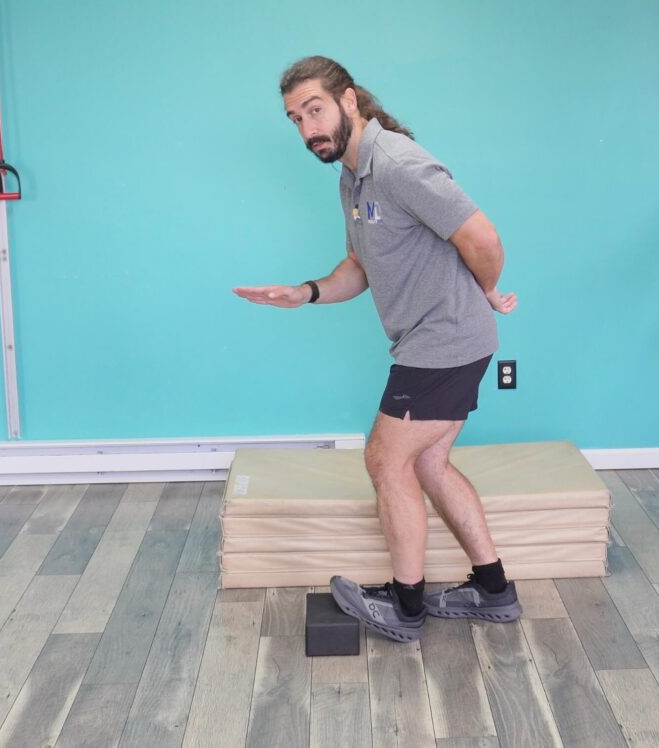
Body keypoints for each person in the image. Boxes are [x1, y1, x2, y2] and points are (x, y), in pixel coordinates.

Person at [233, 56, 522, 642]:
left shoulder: (395, 163)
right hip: (438, 342)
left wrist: (486, 288)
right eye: (295, 119)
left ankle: (405, 607)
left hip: (442, 342)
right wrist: (305, 293)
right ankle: (494, 591)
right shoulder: (352, 176)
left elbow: (482, 237)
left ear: (347, 100)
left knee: (385, 458)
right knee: (428, 463)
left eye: (314, 109)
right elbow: (360, 266)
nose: (307, 127)